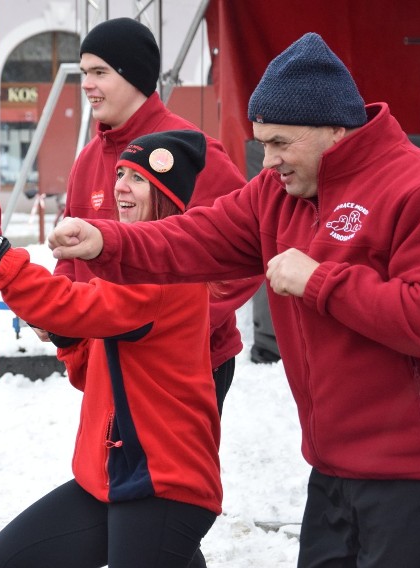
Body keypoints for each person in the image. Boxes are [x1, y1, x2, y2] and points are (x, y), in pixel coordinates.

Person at [49, 33, 420, 567]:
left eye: (279, 143)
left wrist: (321, 281)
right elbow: (195, 236)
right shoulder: (277, 191)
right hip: (332, 473)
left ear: (334, 131)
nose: (266, 160)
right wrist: (108, 240)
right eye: (262, 143)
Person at [0, 130, 221, 568]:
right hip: (112, 477)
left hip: (162, 482)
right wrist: (68, 340)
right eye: (120, 172)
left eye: (138, 179)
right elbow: (94, 373)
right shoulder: (132, 269)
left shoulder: (167, 274)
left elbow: (70, 304)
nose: (120, 184)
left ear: (167, 197)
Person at [56, 17, 259, 416]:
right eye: (83, 73)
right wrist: (59, 316)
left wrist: (177, 326)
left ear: (134, 76)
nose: (86, 84)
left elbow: (245, 250)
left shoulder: (192, 152)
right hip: (108, 361)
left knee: (170, 479)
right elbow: (68, 254)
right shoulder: (87, 159)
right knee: (108, 476)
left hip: (183, 364)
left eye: (100, 72)